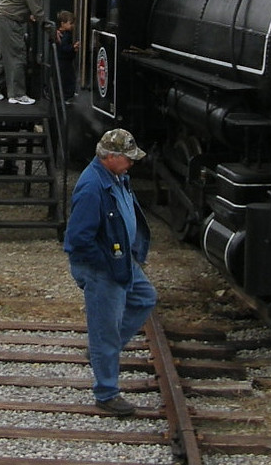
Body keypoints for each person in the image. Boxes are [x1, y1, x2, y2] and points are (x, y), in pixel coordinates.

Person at [63, 128, 155, 416]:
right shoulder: (92, 187)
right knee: (105, 332)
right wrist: (105, 265)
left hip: (121, 261)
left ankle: (103, 351)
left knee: (144, 297)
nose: (131, 163)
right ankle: (106, 393)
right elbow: (77, 240)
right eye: (127, 158)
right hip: (103, 268)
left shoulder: (118, 177)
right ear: (110, 157)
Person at [55, 10, 78, 101]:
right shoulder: (65, 35)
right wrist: (73, 47)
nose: (72, 25)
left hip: (63, 60)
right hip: (65, 61)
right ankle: (67, 96)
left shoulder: (60, 33)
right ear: (63, 23)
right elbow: (63, 48)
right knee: (69, 79)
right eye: (70, 23)